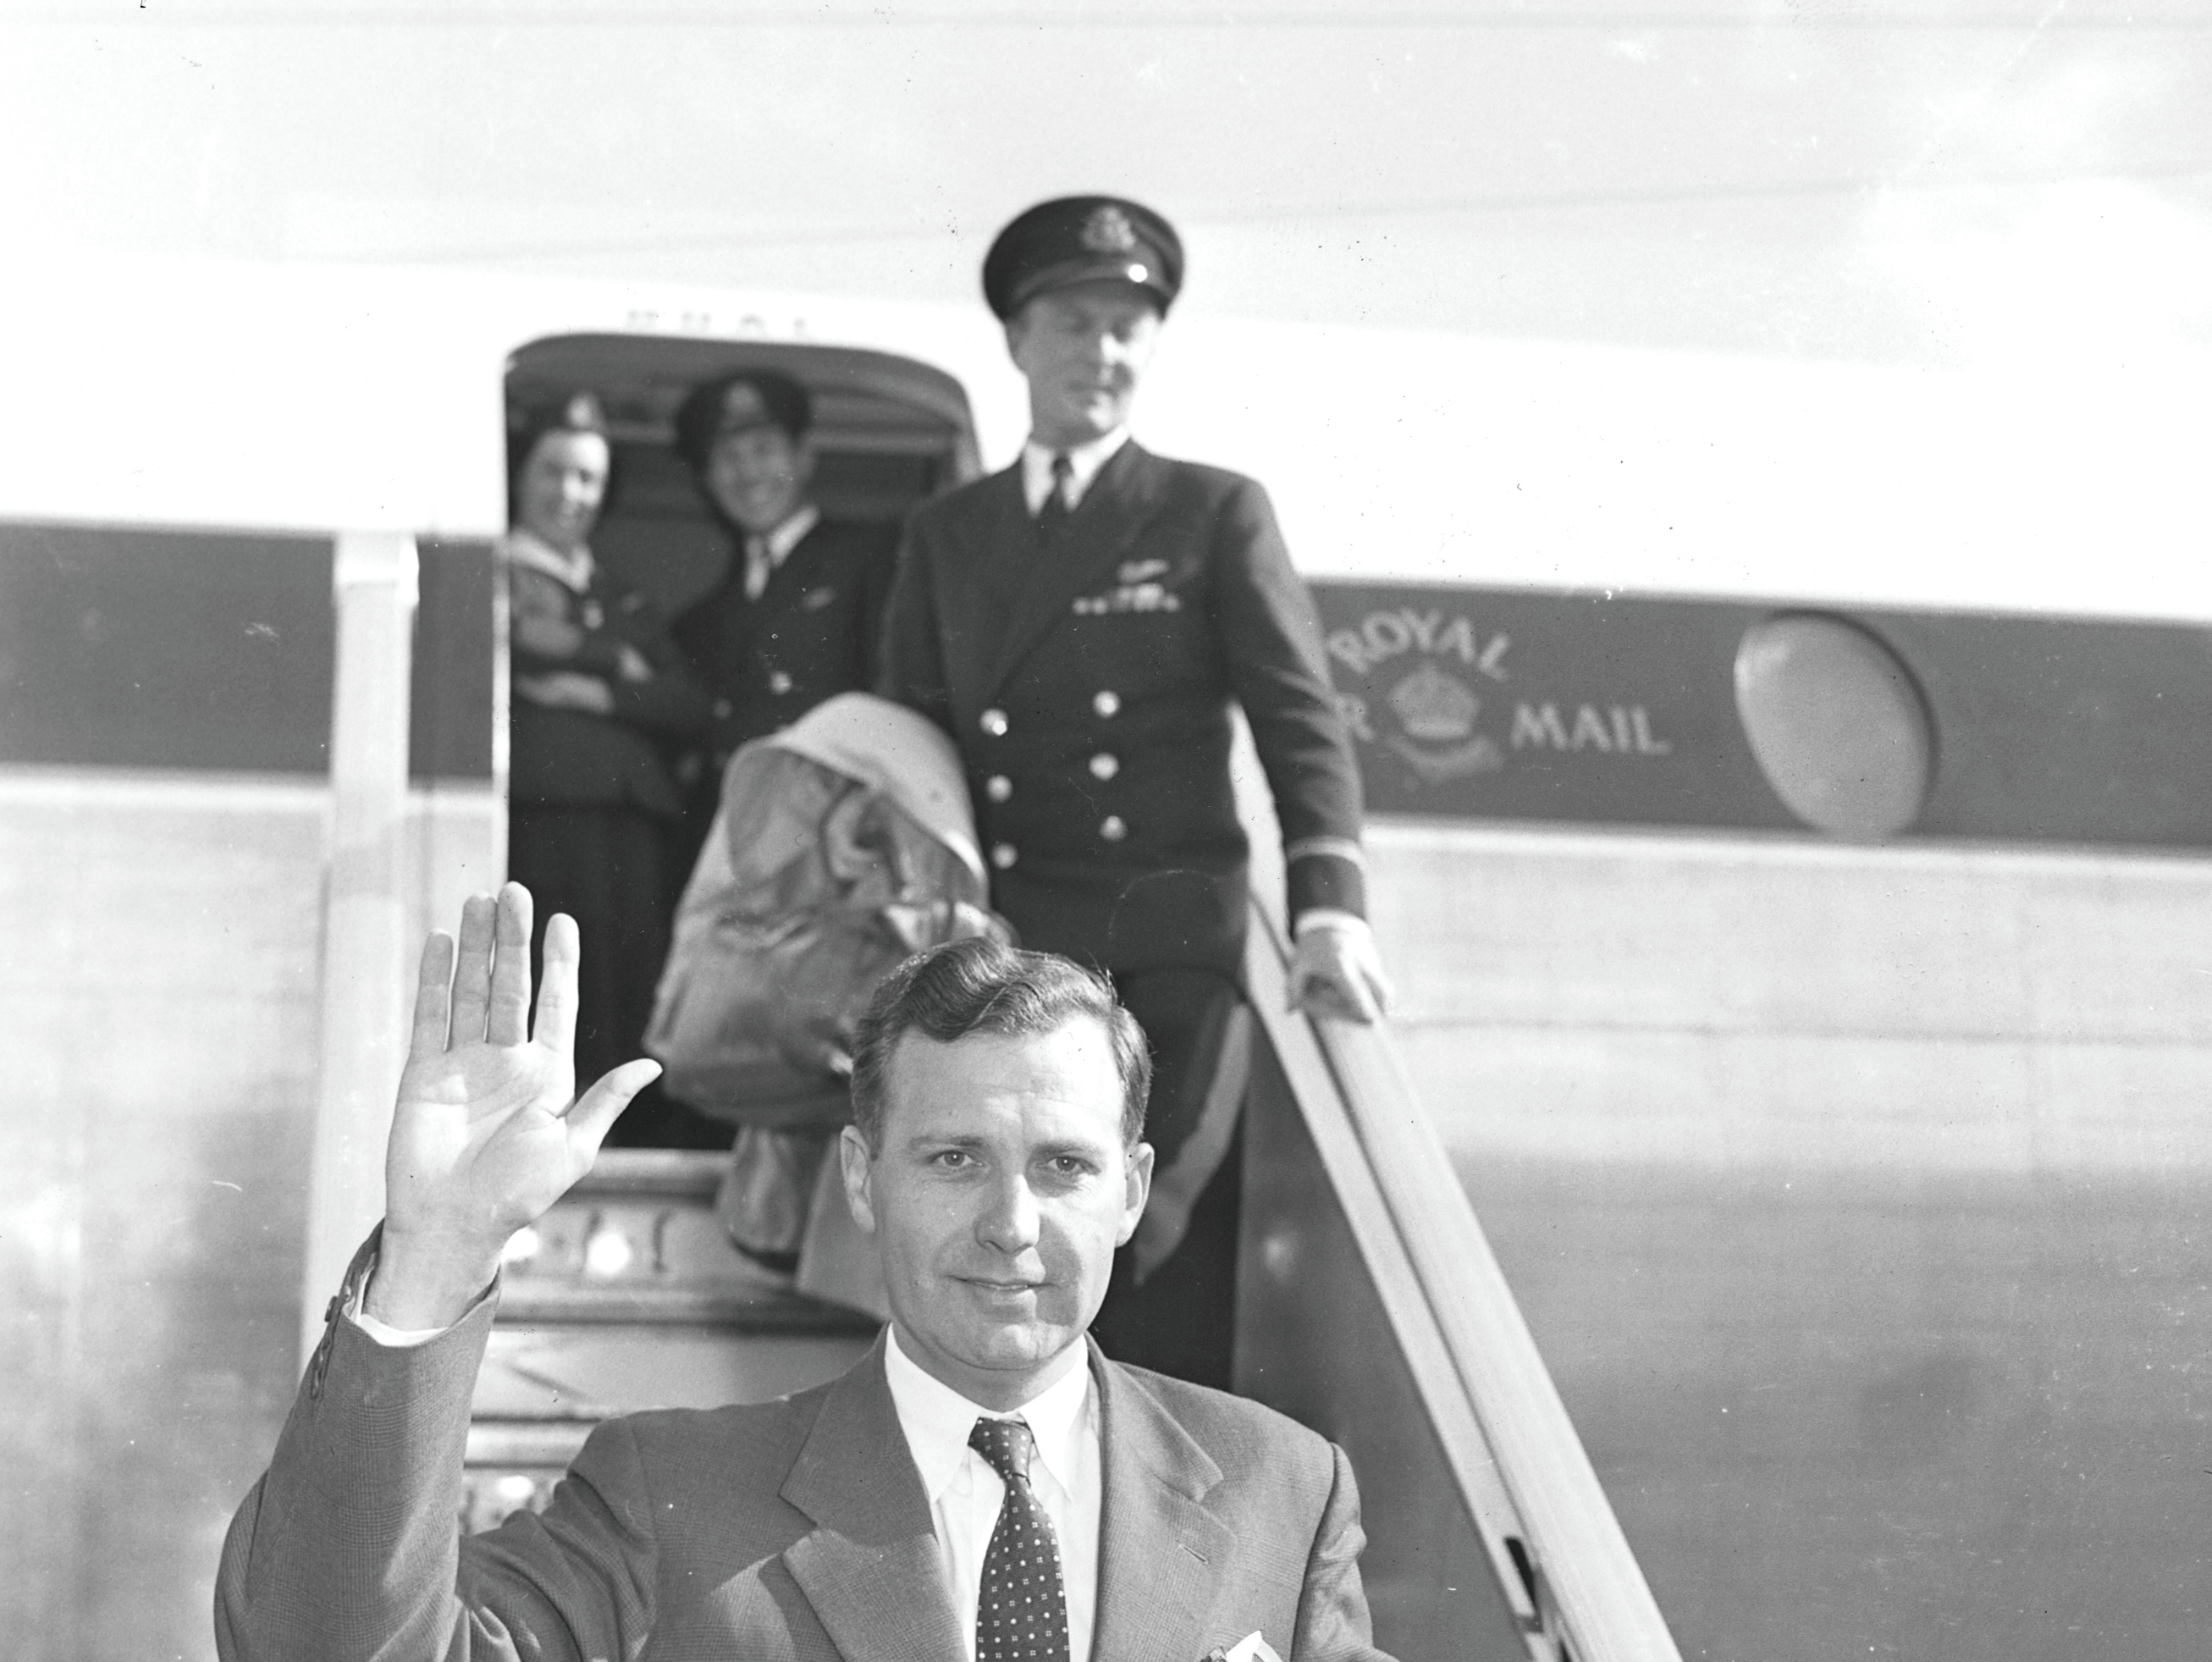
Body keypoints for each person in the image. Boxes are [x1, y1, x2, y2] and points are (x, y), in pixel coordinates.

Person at [213, 886, 1394, 1662]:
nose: (1012, 1222)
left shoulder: (1280, 1491)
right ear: (864, 1177)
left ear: (1133, 1188)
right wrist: (433, 1256)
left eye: (1065, 1164)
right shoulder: (662, 1493)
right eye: (954, 1156)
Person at [879, 196, 1393, 1389]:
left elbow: (1299, 716)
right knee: (1000, 1226)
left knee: (1141, 1236)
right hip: (1011, 946)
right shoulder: (948, 532)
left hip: (1168, 952)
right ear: (1018, 341)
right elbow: (912, 736)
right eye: (1072, 322)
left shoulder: (1210, 510)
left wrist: (1330, 904)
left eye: (1125, 326)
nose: (1099, 353)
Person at [500, 391, 712, 1145]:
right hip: (548, 810)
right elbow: (522, 643)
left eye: (588, 478)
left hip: (633, 816)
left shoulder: (617, 591)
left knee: (628, 988)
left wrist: (594, 682)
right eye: (553, 471)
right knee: (561, 985)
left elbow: (688, 702)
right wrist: (622, 665)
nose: (569, 493)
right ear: (519, 477)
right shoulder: (501, 575)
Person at [668, 366, 900, 848]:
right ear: (707, 479)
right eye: (727, 457)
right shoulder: (700, 618)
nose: (748, 472)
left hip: (831, 835)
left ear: (804, 457)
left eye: (763, 450)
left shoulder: (871, 558)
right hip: (730, 842)